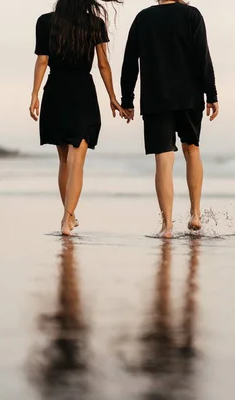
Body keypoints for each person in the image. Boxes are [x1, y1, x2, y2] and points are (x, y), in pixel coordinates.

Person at [120, 0, 219, 238]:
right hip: (189, 96)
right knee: (192, 150)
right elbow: (202, 56)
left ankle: (167, 226)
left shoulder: (143, 18)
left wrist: (127, 99)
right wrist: (212, 94)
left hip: (156, 99)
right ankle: (195, 213)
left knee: (163, 160)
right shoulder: (192, 15)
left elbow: (130, 59)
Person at [29, 0, 125, 236]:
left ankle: (68, 216)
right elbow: (103, 64)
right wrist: (112, 96)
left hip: (55, 92)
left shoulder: (46, 22)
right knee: (77, 160)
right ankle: (67, 218)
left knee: (63, 160)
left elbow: (42, 60)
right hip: (82, 91)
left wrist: (34, 95)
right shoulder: (95, 23)